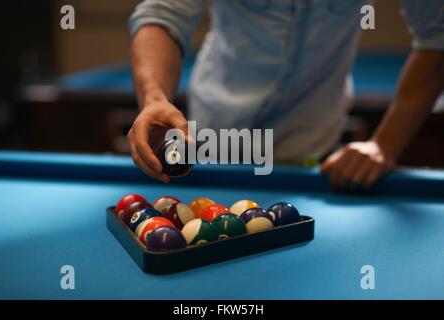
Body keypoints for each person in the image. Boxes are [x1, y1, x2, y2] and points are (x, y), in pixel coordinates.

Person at [127, 0, 444, 186]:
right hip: (210, 148)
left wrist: (384, 146)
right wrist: (155, 98)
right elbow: (162, 13)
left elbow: (437, 36)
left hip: (311, 158)